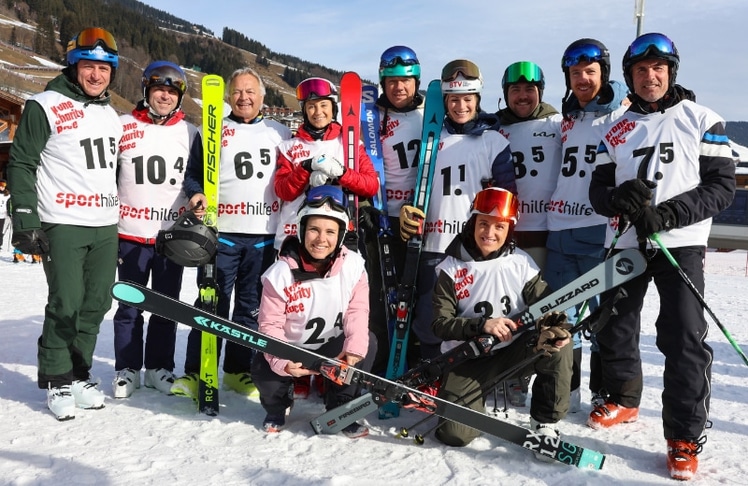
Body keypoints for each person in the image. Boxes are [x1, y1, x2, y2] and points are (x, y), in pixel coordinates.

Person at [588, 32, 735, 481]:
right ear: (630, 76)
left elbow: (721, 187)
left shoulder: (702, 118)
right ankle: (623, 398)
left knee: (683, 337)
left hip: (679, 243)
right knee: (614, 324)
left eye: (658, 69)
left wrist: (669, 213)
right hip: (627, 241)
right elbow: (598, 191)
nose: (649, 77)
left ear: (671, 72)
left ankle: (684, 437)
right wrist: (617, 199)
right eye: (640, 70)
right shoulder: (615, 128)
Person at [6, 27, 122, 420]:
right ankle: (57, 378)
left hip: (105, 223)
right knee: (66, 302)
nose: (96, 75)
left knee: (97, 303)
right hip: (63, 221)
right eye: (89, 66)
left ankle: (78, 372)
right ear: (73, 66)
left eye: (104, 68)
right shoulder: (45, 105)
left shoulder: (111, 115)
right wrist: (25, 216)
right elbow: (22, 163)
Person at [171, 67, 292, 400]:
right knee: (211, 304)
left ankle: (238, 371)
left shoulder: (279, 132)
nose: (243, 98)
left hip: (264, 235)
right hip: (220, 234)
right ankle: (196, 372)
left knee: (250, 309)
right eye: (237, 92)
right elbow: (193, 175)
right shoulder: (211, 130)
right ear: (228, 97)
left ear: (262, 96)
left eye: (250, 91)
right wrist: (196, 193)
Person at [430, 187, 573, 447]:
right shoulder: (451, 268)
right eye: (483, 223)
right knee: (454, 434)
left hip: (513, 352)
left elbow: (545, 304)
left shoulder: (521, 263)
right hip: (467, 358)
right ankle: (475, 403)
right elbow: (440, 324)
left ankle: (545, 423)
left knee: (559, 342)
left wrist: (551, 327)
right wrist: (482, 325)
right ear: (473, 223)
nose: (490, 233)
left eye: (499, 226)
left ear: (509, 230)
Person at [398, 59, 516, 361]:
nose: (460, 106)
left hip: (474, 248)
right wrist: (409, 211)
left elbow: (508, 197)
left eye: (467, 99)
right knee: (430, 319)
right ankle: (428, 373)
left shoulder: (493, 141)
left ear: (477, 99)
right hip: (433, 244)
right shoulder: (431, 139)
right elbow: (418, 187)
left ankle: (470, 376)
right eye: (453, 99)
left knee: (472, 315)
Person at [273, 76, 378, 396]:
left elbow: (370, 184)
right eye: (310, 106)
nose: (317, 112)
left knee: (337, 304)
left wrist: (341, 172)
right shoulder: (290, 146)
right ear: (303, 110)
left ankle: (329, 369)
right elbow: (283, 190)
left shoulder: (349, 143)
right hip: (296, 234)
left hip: (339, 234)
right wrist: (305, 168)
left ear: (333, 108)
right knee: (297, 307)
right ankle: (298, 371)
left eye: (323, 105)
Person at [545, 39, 629, 412]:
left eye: (590, 72)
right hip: (560, 230)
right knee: (562, 319)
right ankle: (569, 388)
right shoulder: (567, 120)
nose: (582, 79)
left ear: (604, 74)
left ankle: (603, 390)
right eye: (575, 73)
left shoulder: (621, 116)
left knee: (601, 319)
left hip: (600, 231)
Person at [253, 185, 376, 438]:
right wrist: (282, 362)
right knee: (264, 364)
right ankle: (278, 405)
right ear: (301, 229)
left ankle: (340, 406)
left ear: (340, 235)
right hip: (291, 348)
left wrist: (353, 352)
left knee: (367, 343)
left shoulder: (353, 267)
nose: (321, 239)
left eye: (330, 232)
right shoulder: (280, 273)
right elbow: (270, 326)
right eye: (314, 229)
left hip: (332, 349)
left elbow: (358, 312)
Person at [112, 61, 199, 398]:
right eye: (159, 89)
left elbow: (195, 178)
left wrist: (196, 195)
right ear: (146, 91)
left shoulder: (190, 133)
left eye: (172, 92)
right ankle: (128, 368)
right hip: (131, 233)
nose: (165, 96)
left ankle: (159, 367)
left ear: (180, 97)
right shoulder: (124, 126)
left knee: (166, 306)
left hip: (171, 237)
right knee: (129, 306)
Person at [495, 61, 563, 407]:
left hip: (544, 231)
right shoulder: (494, 127)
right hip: (505, 233)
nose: (522, 96)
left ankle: (548, 379)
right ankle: (512, 373)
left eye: (529, 90)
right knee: (508, 307)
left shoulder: (556, 123)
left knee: (544, 310)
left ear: (540, 92)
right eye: (515, 90)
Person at [362, 45, 425, 375]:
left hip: (421, 220)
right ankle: (381, 362)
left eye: (405, 81)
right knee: (381, 295)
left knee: (418, 293)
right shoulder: (371, 118)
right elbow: (357, 162)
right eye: (391, 81)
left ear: (416, 82)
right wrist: (365, 207)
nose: (399, 87)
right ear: (383, 83)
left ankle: (414, 363)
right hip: (383, 218)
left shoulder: (429, 116)